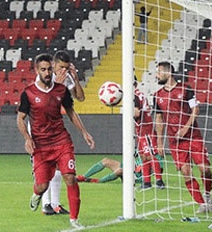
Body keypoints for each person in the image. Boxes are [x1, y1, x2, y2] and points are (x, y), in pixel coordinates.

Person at [17, 53, 95, 229]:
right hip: (41, 143)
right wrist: (27, 138)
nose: (46, 72)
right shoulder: (28, 93)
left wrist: (84, 132)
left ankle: (74, 219)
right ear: (37, 70)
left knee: (70, 177)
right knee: (42, 185)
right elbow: (20, 118)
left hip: (61, 140)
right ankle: (38, 195)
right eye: (42, 70)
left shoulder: (62, 90)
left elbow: (71, 111)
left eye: (48, 69)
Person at [154, 61, 212, 214]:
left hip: (193, 136)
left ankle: (207, 194)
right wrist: (159, 142)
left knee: (205, 169)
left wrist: (185, 128)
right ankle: (201, 204)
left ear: (168, 73)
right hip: (175, 142)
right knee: (186, 172)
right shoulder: (157, 96)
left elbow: (196, 110)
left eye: (159, 72)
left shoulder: (185, 89)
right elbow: (159, 119)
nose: (156, 75)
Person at [38, 50, 85, 216]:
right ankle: (45, 204)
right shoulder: (43, 77)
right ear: (53, 64)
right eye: (60, 67)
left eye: (66, 68)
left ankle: (55, 204)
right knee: (47, 167)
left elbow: (80, 98)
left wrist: (76, 79)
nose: (63, 71)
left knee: (59, 166)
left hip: (54, 128)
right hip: (40, 127)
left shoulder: (66, 77)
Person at [134, 75, 165, 189]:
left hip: (145, 130)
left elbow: (136, 113)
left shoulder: (134, 96)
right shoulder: (138, 94)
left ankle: (159, 181)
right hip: (141, 130)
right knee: (143, 156)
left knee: (151, 155)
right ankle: (146, 182)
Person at [76, 154, 164, 184]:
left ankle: (99, 181)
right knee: (106, 161)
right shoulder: (143, 145)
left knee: (119, 171)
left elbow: (160, 170)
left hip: (137, 176)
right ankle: (83, 177)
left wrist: (144, 169)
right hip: (129, 166)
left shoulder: (157, 155)